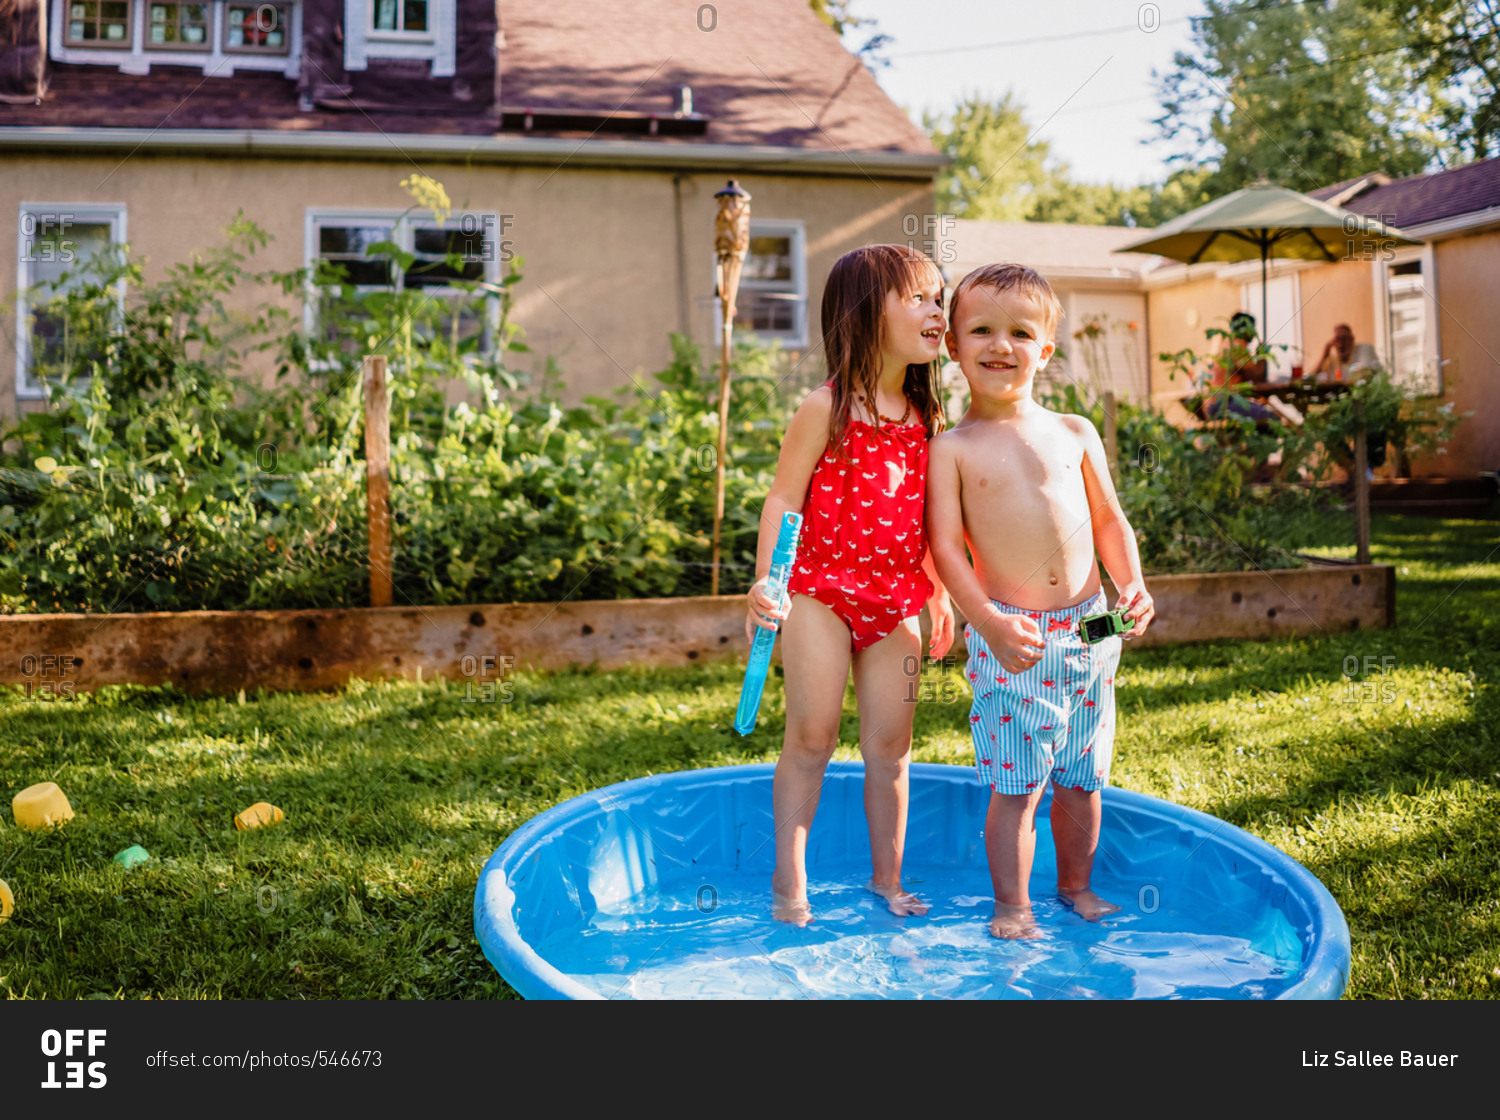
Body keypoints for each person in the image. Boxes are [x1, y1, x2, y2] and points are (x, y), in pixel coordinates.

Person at [926, 262, 1155, 940]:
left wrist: (1132, 585)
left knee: (1083, 778)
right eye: (983, 330)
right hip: (1014, 639)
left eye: (1021, 332)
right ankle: (1012, 905)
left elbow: (1109, 521)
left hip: (1093, 627)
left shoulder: (1076, 431)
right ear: (954, 346)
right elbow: (944, 549)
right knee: (1019, 786)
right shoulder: (954, 448)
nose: (1002, 345)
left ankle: (1077, 887)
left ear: (1045, 351)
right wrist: (988, 621)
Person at [747, 244, 956, 926]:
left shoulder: (928, 420)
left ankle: (887, 880)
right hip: (820, 590)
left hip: (898, 600)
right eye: (920, 297)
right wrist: (766, 583)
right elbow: (784, 498)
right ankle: (791, 881)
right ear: (868, 314)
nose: (937, 310)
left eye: (938, 298)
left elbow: (930, 521)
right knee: (811, 735)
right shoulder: (826, 406)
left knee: (890, 749)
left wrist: (940, 593)